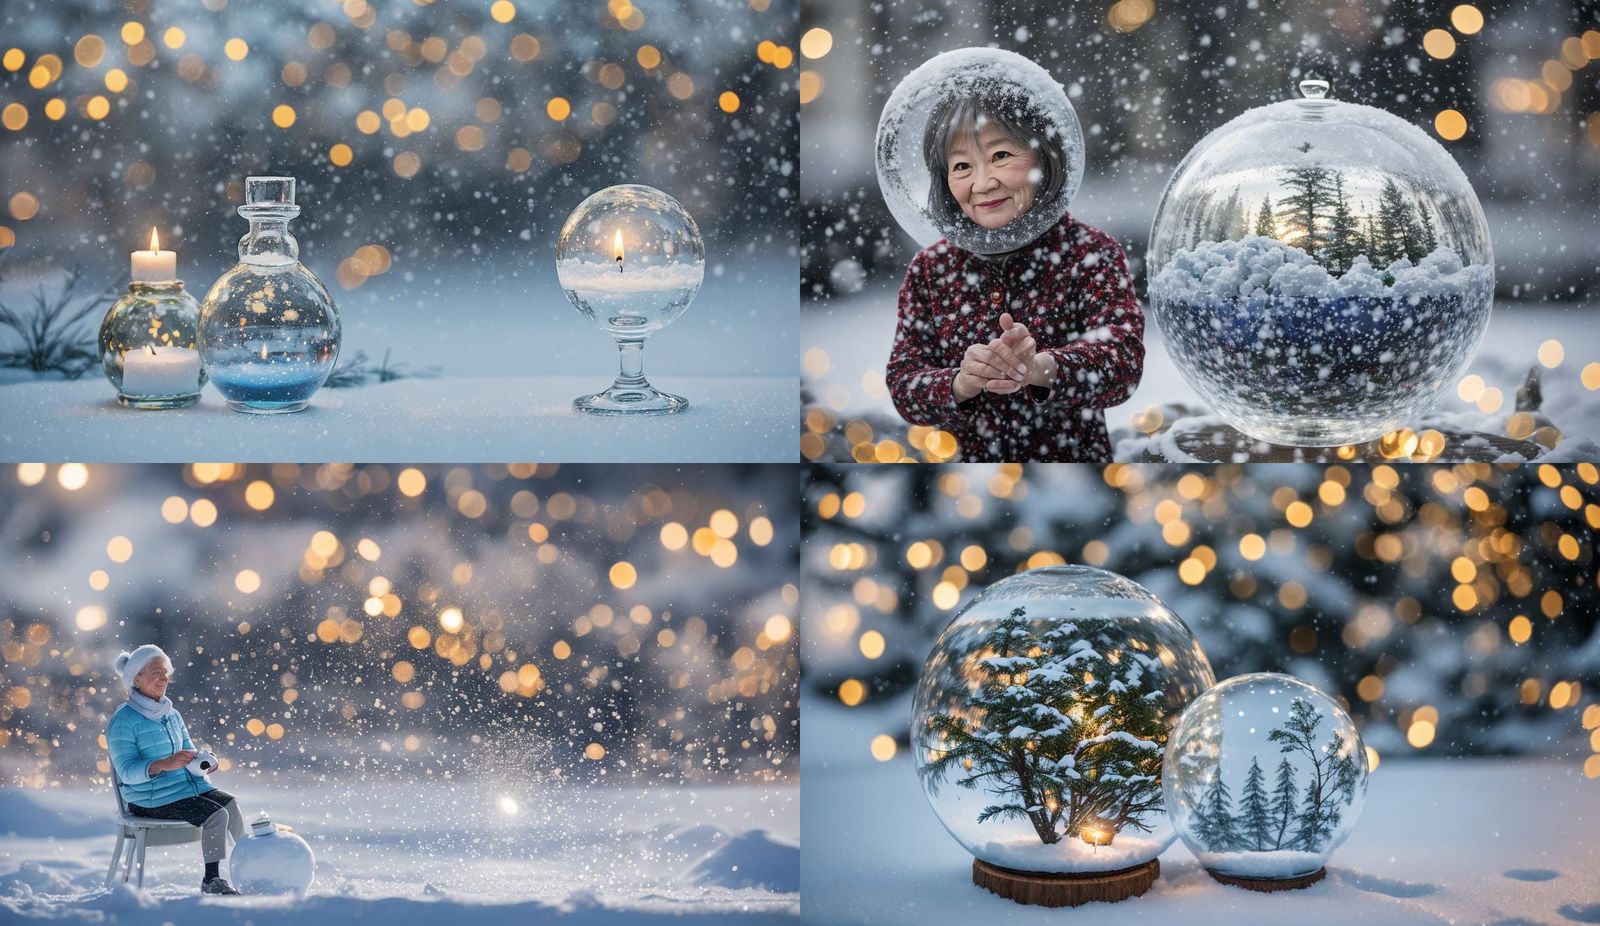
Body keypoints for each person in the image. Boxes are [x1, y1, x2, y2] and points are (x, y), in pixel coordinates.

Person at [885, 88, 1144, 461]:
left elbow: (1123, 363)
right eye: (961, 166)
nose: (983, 182)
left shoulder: (1091, 252)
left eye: (1001, 155)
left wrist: (1041, 368)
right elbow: (904, 382)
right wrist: (960, 382)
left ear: (1045, 156)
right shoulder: (930, 269)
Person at [106, 644, 244, 895]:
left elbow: (189, 753)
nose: (163, 678)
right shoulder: (123, 720)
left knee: (231, 806)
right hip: (148, 798)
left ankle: (248, 868)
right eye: (155, 672)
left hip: (182, 789)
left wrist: (205, 761)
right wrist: (162, 765)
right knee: (217, 816)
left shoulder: (171, 714)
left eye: (165, 672)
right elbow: (126, 771)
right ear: (136, 679)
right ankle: (211, 881)